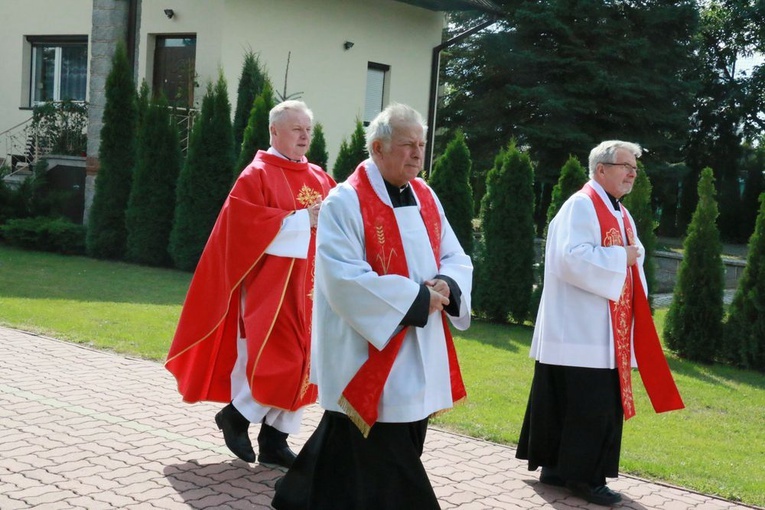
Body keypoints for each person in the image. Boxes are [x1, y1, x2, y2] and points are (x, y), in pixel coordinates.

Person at [271, 103, 473, 509]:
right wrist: (417, 298)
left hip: (419, 347)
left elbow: (455, 255)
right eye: (406, 145)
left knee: (356, 452)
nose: (417, 153)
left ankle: (299, 497)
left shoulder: (426, 196)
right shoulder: (345, 202)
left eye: (421, 144)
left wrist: (448, 284)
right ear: (378, 148)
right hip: (367, 352)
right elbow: (343, 279)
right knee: (390, 461)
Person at [165, 100, 336, 469]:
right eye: (296, 129)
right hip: (270, 290)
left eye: (308, 128)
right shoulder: (256, 175)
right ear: (275, 132)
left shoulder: (321, 177)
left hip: (313, 289)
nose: (305, 135)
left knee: (310, 367)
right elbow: (242, 229)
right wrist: (298, 220)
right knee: (282, 361)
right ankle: (237, 416)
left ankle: (275, 440)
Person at [516, 140, 684, 506]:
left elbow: (631, 263)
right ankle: (585, 480)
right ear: (601, 169)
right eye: (625, 166)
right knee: (590, 407)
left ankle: (559, 469)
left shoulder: (620, 213)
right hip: (580, 329)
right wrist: (620, 256)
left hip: (602, 331)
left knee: (577, 403)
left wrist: (637, 292)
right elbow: (571, 259)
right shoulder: (581, 205)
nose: (632, 173)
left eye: (635, 168)